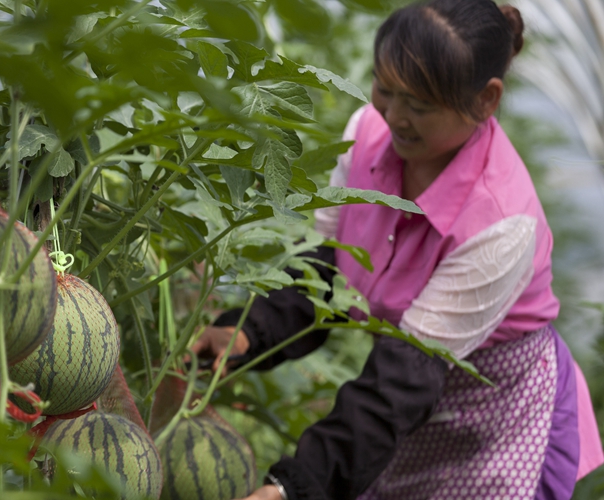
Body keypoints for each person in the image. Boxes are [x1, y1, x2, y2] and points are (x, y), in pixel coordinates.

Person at [191, 1, 604, 498]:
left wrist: (292, 488)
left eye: (421, 105)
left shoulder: (500, 225)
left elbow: (403, 379)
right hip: (406, 389)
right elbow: (327, 275)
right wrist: (246, 334)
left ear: (486, 100)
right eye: (385, 88)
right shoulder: (367, 130)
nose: (395, 116)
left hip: (494, 411)